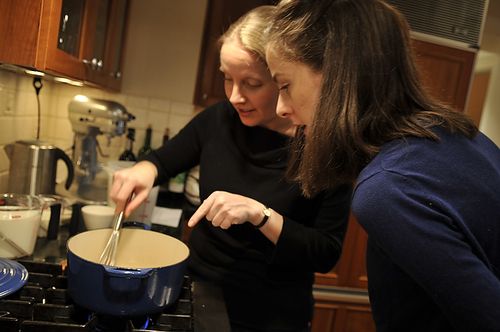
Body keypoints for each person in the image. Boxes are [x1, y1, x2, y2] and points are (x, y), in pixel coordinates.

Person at [110, 5, 352, 331]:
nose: (235, 96)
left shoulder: (325, 147)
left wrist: (260, 214)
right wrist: (143, 171)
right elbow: (162, 161)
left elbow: (325, 252)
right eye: (227, 79)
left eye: (252, 83)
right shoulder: (219, 119)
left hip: (271, 312)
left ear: (283, 81)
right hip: (198, 293)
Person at [265, 0, 500, 331]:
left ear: (336, 74)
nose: (280, 108)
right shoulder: (458, 133)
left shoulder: (387, 188)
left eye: (285, 85)